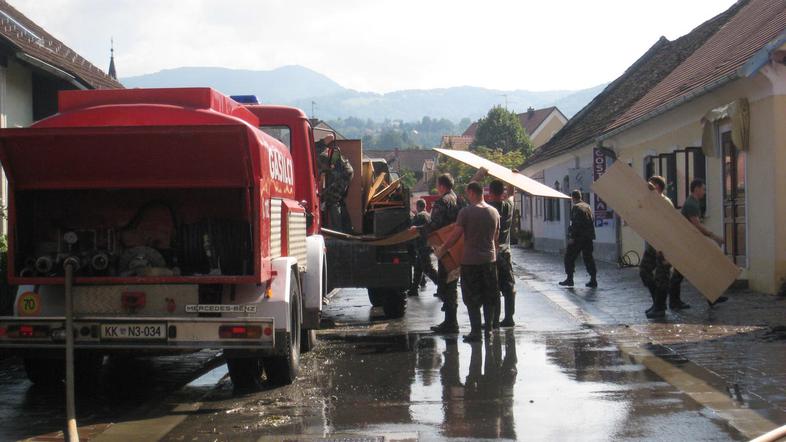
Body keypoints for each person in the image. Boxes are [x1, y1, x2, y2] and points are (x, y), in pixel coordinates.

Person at [436, 181, 500, 342]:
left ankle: (476, 332)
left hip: (470, 261)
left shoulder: (466, 212)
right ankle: (489, 330)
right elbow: (496, 239)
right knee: (489, 297)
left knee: (472, 298)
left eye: (467, 193)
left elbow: (455, 235)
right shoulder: (494, 212)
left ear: (472, 193)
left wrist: (442, 249)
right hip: (489, 260)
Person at [412, 173, 462, 333]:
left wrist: (418, 230)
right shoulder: (459, 200)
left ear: (441, 186)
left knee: (446, 284)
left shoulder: (442, 202)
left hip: (444, 245)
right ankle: (451, 321)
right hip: (457, 246)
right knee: (452, 283)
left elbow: (435, 225)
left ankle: (450, 322)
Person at [668, 178, 728, 309]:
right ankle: (674, 302)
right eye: (703, 189)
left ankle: (711, 297)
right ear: (696, 189)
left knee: (696, 270)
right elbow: (697, 225)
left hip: (689, 242)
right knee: (679, 274)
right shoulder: (691, 204)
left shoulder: (694, 202)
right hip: (687, 243)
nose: (704, 192)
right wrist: (714, 237)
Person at [640, 176, 676, 319]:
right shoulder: (653, 201)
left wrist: (663, 246)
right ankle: (657, 302)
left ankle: (660, 307)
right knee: (644, 271)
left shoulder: (664, 202)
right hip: (653, 244)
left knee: (662, 277)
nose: (648, 188)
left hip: (663, 244)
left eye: (651, 186)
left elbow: (668, 225)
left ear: (658, 187)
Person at [487, 179, 516, 328]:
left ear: (490, 193)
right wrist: (512, 180)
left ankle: (494, 319)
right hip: (505, 253)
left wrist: (479, 175)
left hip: (492, 253)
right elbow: (511, 196)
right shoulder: (508, 206)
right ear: (502, 192)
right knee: (509, 285)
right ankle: (509, 317)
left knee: (494, 287)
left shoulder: (488, 209)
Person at [560, 190, 597, 288]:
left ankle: (570, 279)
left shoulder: (576, 207)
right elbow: (592, 220)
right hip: (588, 237)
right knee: (588, 258)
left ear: (573, 198)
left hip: (578, 237)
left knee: (569, 257)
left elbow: (575, 223)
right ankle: (593, 279)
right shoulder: (587, 206)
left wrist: (572, 236)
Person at [319, 148, 354, 233]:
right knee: (339, 200)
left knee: (332, 201)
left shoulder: (324, 156)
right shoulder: (326, 154)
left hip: (344, 174)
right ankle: (348, 228)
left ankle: (337, 230)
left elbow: (327, 168)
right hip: (346, 171)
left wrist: (323, 197)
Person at [409, 199, 438, 296]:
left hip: (422, 246)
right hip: (427, 245)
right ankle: (414, 289)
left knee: (428, 268)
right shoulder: (428, 215)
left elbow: (412, 229)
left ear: (418, 206)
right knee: (418, 268)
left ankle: (442, 287)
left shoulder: (419, 216)